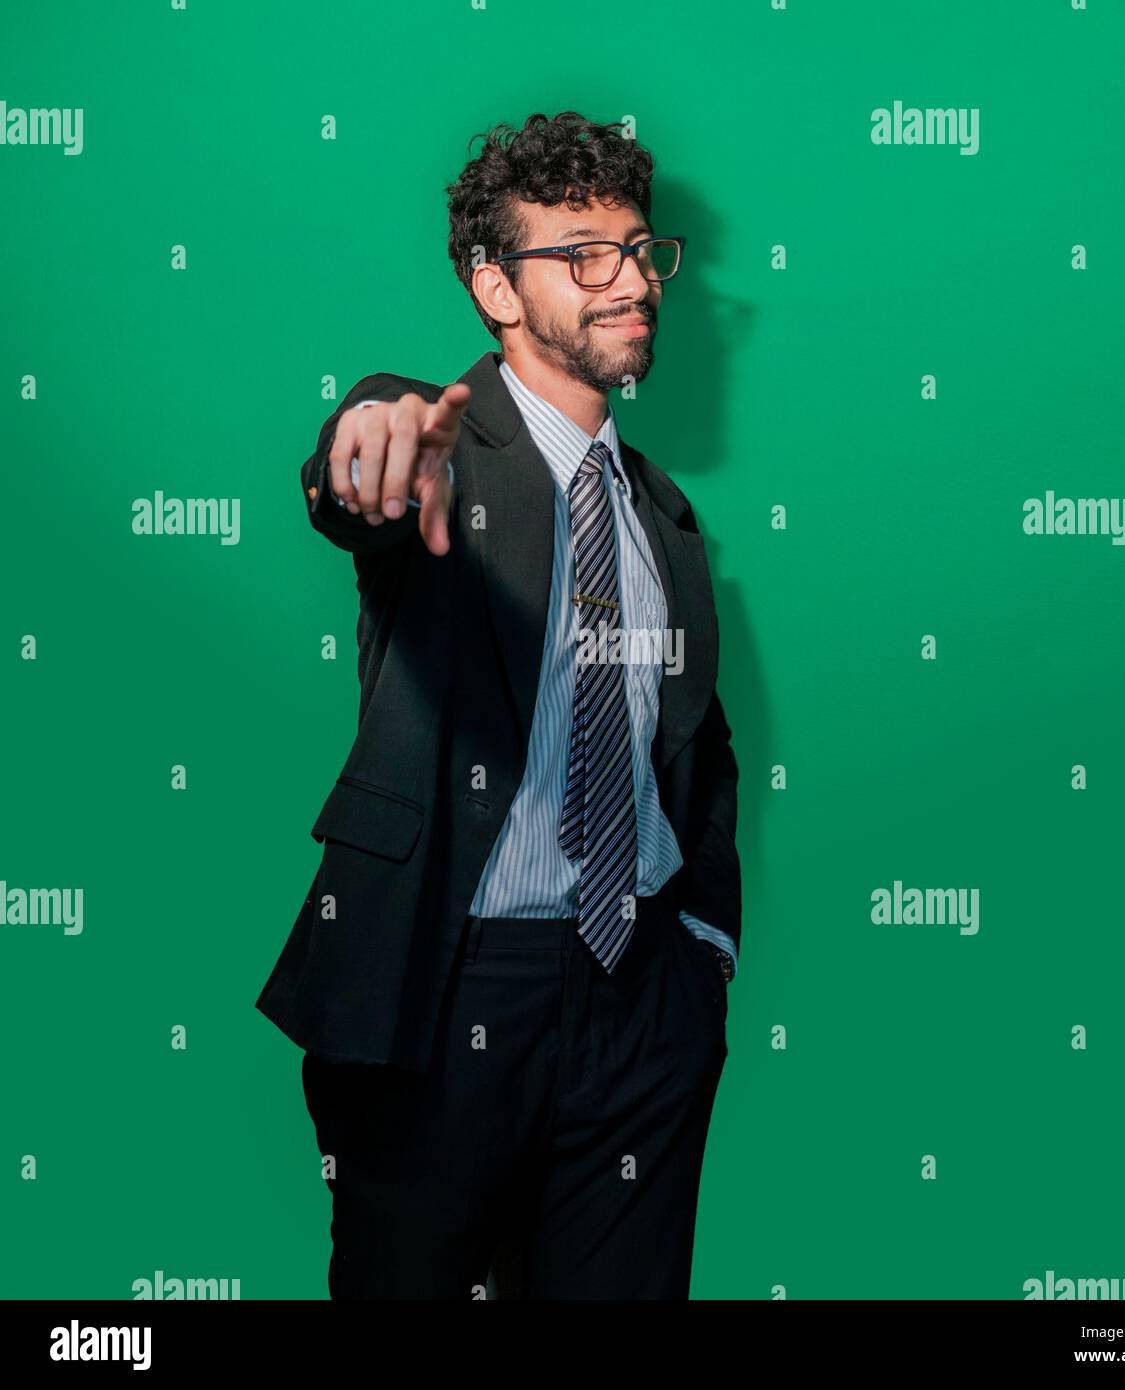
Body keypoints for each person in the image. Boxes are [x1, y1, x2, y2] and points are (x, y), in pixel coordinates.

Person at [255, 110, 740, 1300]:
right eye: (581, 254)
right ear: (496, 290)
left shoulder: (661, 517)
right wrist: (367, 436)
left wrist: (703, 949)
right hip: (450, 988)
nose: (627, 278)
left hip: (641, 1003)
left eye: (636, 248)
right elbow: (363, 458)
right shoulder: (440, 449)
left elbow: (693, 745)